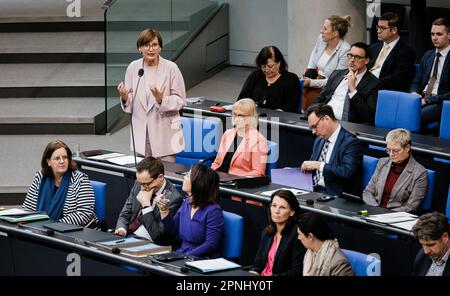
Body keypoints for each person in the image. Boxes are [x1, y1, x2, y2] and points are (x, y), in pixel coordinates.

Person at [117, 28, 186, 161]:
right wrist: (125, 98)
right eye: (146, 45)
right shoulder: (133, 68)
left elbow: (181, 100)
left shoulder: (171, 68)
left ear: (160, 48)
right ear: (139, 48)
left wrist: (161, 100)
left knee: (165, 176)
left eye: (155, 45)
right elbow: (131, 103)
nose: (151, 49)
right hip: (141, 136)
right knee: (143, 178)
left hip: (164, 136)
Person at [156, 164, 224, 258]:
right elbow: (173, 230)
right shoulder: (187, 202)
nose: (184, 177)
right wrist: (163, 210)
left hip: (202, 258)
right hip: (183, 253)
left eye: (188, 176)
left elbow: (211, 244)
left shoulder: (213, 211)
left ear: (198, 183)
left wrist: (185, 256)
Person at [22, 140, 96, 226]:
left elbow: (84, 214)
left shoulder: (80, 179)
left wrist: (55, 225)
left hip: (74, 231)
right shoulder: (40, 176)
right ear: (48, 161)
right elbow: (27, 208)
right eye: (57, 158)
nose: (62, 161)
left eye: (65, 157)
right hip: (43, 229)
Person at [115, 157, 182, 245]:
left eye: (146, 184)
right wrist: (121, 229)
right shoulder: (139, 184)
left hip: (150, 243)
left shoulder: (173, 198)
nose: (142, 188)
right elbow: (125, 214)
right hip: (128, 235)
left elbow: (158, 237)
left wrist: (146, 205)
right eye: (140, 183)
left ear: (160, 177)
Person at [300, 103, 363, 197]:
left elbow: (347, 172)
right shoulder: (319, 140)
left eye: (314, 126)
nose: (313, 132)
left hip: (335, 196)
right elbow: (312, 168)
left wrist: (319, 165)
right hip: (313, 190)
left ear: (327, 119)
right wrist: (294, 173)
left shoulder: (351, 143)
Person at [315, 42, 382, 125]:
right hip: (324, 119)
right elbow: (320, 99)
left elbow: (367, 115)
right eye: (350, 55)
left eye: (357, 57)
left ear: (366, 60)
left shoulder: (374, 84)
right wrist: (310, 113)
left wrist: (353, 89)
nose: (352, 60)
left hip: (350, 126)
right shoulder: (337, 74)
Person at [363, 128, 428, 213]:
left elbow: (411, 206)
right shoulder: (382, 162)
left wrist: (386, 214)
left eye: (396, 151)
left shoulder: (419, 173)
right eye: (388, 150)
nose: (391, 154)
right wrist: (376, 209)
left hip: (396, 217)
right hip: (374, 211)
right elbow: (368, 192)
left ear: (407, 148)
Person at [250, 190, 306, 276]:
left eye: (282, 207)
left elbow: (296, 272)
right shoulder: (267, 232)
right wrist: (254, 272)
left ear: (292, 212)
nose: (276, 211)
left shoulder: (297, 236)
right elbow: (258, 264)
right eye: (274, 206)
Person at [302, 15, 351, 111]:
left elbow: (336, 81)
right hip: (315, 80)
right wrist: (307, 77)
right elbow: (313, 60)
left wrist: (312, 82)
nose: (321, 31)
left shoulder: (345, 50)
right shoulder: (321, 39)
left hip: (329, 89)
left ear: (335, 33)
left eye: (325, 29)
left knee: (311, 99)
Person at [211, 99, 268, 177]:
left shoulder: (259, 140)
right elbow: (217, 163)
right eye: (234, 114)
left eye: (241, 115)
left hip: (238, 181)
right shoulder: (227, 134)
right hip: (218, 177)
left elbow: (258, 172)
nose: (236, 118)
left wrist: (236, 179)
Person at [411, 18, 450, 130]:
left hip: (440, 102)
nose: (434, 37)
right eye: (432, 34)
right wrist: (414, 93)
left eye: (439, 34)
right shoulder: (427, 55)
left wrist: (429, 100)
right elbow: (416, 82)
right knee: (397, 111)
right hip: (421, 99)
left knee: (412, 117)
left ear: (449, 35)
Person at [237, 46, 301, 113]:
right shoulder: (255, 75)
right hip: (253, 117)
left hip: (277, 119)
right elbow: (242, 100)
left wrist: (278, 113)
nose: (266, 70)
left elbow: (291, 105)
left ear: (279, 63)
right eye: (263, 66)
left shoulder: (291, 79)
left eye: (270, 66)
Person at [368, 12, 416, 92]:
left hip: (382, 90)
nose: (378, 31)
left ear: (394, 30)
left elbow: (397, 79)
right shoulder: (373, 48)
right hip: (365, 86)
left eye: (382, 28)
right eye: (378, 27)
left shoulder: (406, 52)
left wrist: (370, 83)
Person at [412, 212, 450, 276]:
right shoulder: (421, 255)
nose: (426, 251)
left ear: (445, 237)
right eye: (423, 245)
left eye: (431, 245)